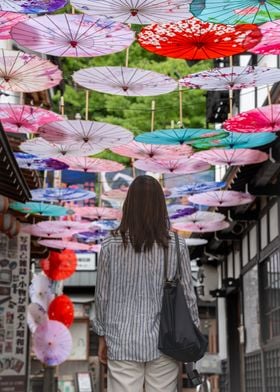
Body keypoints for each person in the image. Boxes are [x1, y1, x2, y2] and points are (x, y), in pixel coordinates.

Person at [92, 175, 200, 392]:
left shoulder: (110, 245)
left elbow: (102, 296)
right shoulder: (177, 245)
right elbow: (188, 296)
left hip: (121, 339)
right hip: (166, 340)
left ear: (128, 205)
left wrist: (102, 335)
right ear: (161, 207)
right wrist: (192, 333)